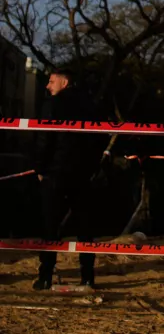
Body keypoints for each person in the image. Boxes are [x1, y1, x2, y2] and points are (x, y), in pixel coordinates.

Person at [32, 66, 104, 290]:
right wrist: (93, 168)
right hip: (83, 173)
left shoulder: (53, 104)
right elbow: (99, 139)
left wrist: (40, 168)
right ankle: (88, 276)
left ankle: (45, 275)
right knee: (85, 227)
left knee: (50, 226)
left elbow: (45, 138)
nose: (47, 86)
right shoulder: (91, 105)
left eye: (51, 81)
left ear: (64, 83)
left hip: (56, 172)